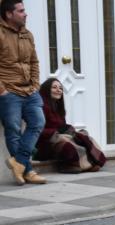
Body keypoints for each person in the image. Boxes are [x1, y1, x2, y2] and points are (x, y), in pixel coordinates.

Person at [0, 0, 46, 185]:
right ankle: (27, 171)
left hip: (29, 90)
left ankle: (18, 162)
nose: (25, 14)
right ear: (9, 14)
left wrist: (35, 84)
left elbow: (34, 62)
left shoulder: (28, 34)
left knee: (38, 122)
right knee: (13, 131)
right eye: (21, 11)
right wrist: (1, 89)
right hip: (9, 91)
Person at [37, 78, 106, 173]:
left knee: (84, 136)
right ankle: (77, 165)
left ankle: (89, 163)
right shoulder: (40, 107)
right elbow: (38, 130)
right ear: (46, 89)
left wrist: (68, 129)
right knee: (67, 143)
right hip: (45, 143)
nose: (58, 90)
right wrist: (56, 133)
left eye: (60, 88)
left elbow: (61, 126)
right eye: (54, 87)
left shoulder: (58, 107)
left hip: (58, 136)